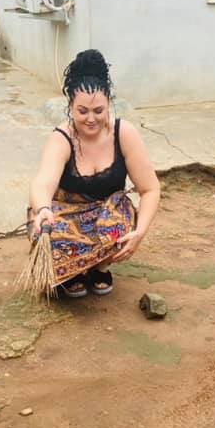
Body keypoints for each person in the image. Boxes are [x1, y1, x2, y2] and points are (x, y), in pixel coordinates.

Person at [29, 49, 160, 297]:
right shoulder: (62, 138)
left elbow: (150, 189)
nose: (91, 119)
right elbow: (42, 182)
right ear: (70, 106)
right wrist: (42, 209)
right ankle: (72, 273)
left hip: (106, 217)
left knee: (123, 217)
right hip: (65, 216)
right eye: (82, 111)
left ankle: (100, 268)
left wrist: (140, 232)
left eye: (98, 111)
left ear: (109, 103)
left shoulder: (124, 133)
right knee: (50, 230)